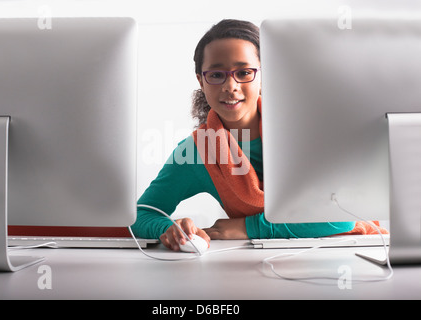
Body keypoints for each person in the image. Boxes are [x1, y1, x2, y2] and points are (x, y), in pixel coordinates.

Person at [131, 19, 361, 251]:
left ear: (263, 75)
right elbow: (142, 214)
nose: (230, 85)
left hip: (344, 253)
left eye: (244, 72)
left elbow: (343, 215)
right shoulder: (196, 150)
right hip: (254, 266)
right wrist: (170, 229)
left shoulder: (302, 134)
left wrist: (247, 228)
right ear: (201, 80)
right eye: (216, 75)